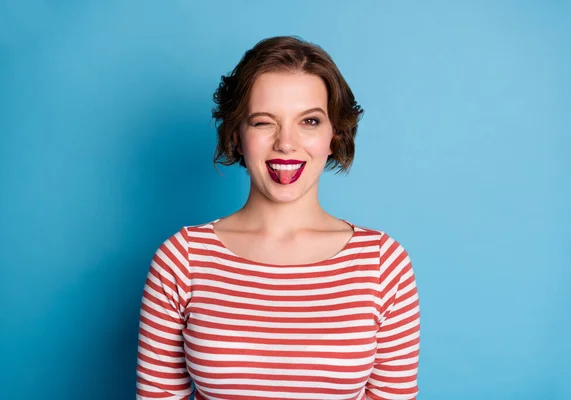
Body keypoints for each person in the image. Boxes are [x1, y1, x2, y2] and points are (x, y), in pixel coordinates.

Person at [136, 36, 420, 400]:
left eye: (310, 121)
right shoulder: (182, 260)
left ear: (334, 135)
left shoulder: (383, 264)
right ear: (237, 135)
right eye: (263, 122)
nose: (286, 143)